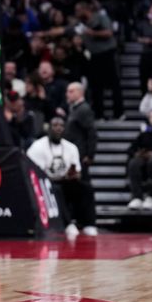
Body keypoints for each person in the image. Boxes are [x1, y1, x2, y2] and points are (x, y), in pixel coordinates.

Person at [26, 117, 94, 238]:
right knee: (55, 189)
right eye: (55, 125)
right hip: (44, 185)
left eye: (61, 125)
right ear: (48, 128)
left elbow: (77, 172)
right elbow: (34, 174)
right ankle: (68, 224)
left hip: (65, 181)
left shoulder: (71, 147)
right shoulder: (37, 147)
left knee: (86, 188)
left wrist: (73, 174)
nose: (58, 128)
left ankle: (89, 224)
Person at [63, 82, 98, 236]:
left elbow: (91, 133)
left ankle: (89, 222)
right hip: (73, 156)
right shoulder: (74, 109)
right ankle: (78, 220)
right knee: (75, 189)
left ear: (79, 92)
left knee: (84, 189)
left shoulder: (84, 109)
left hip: (80, 157)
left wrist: (90, 154)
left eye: (71, 91)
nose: (67, 94)